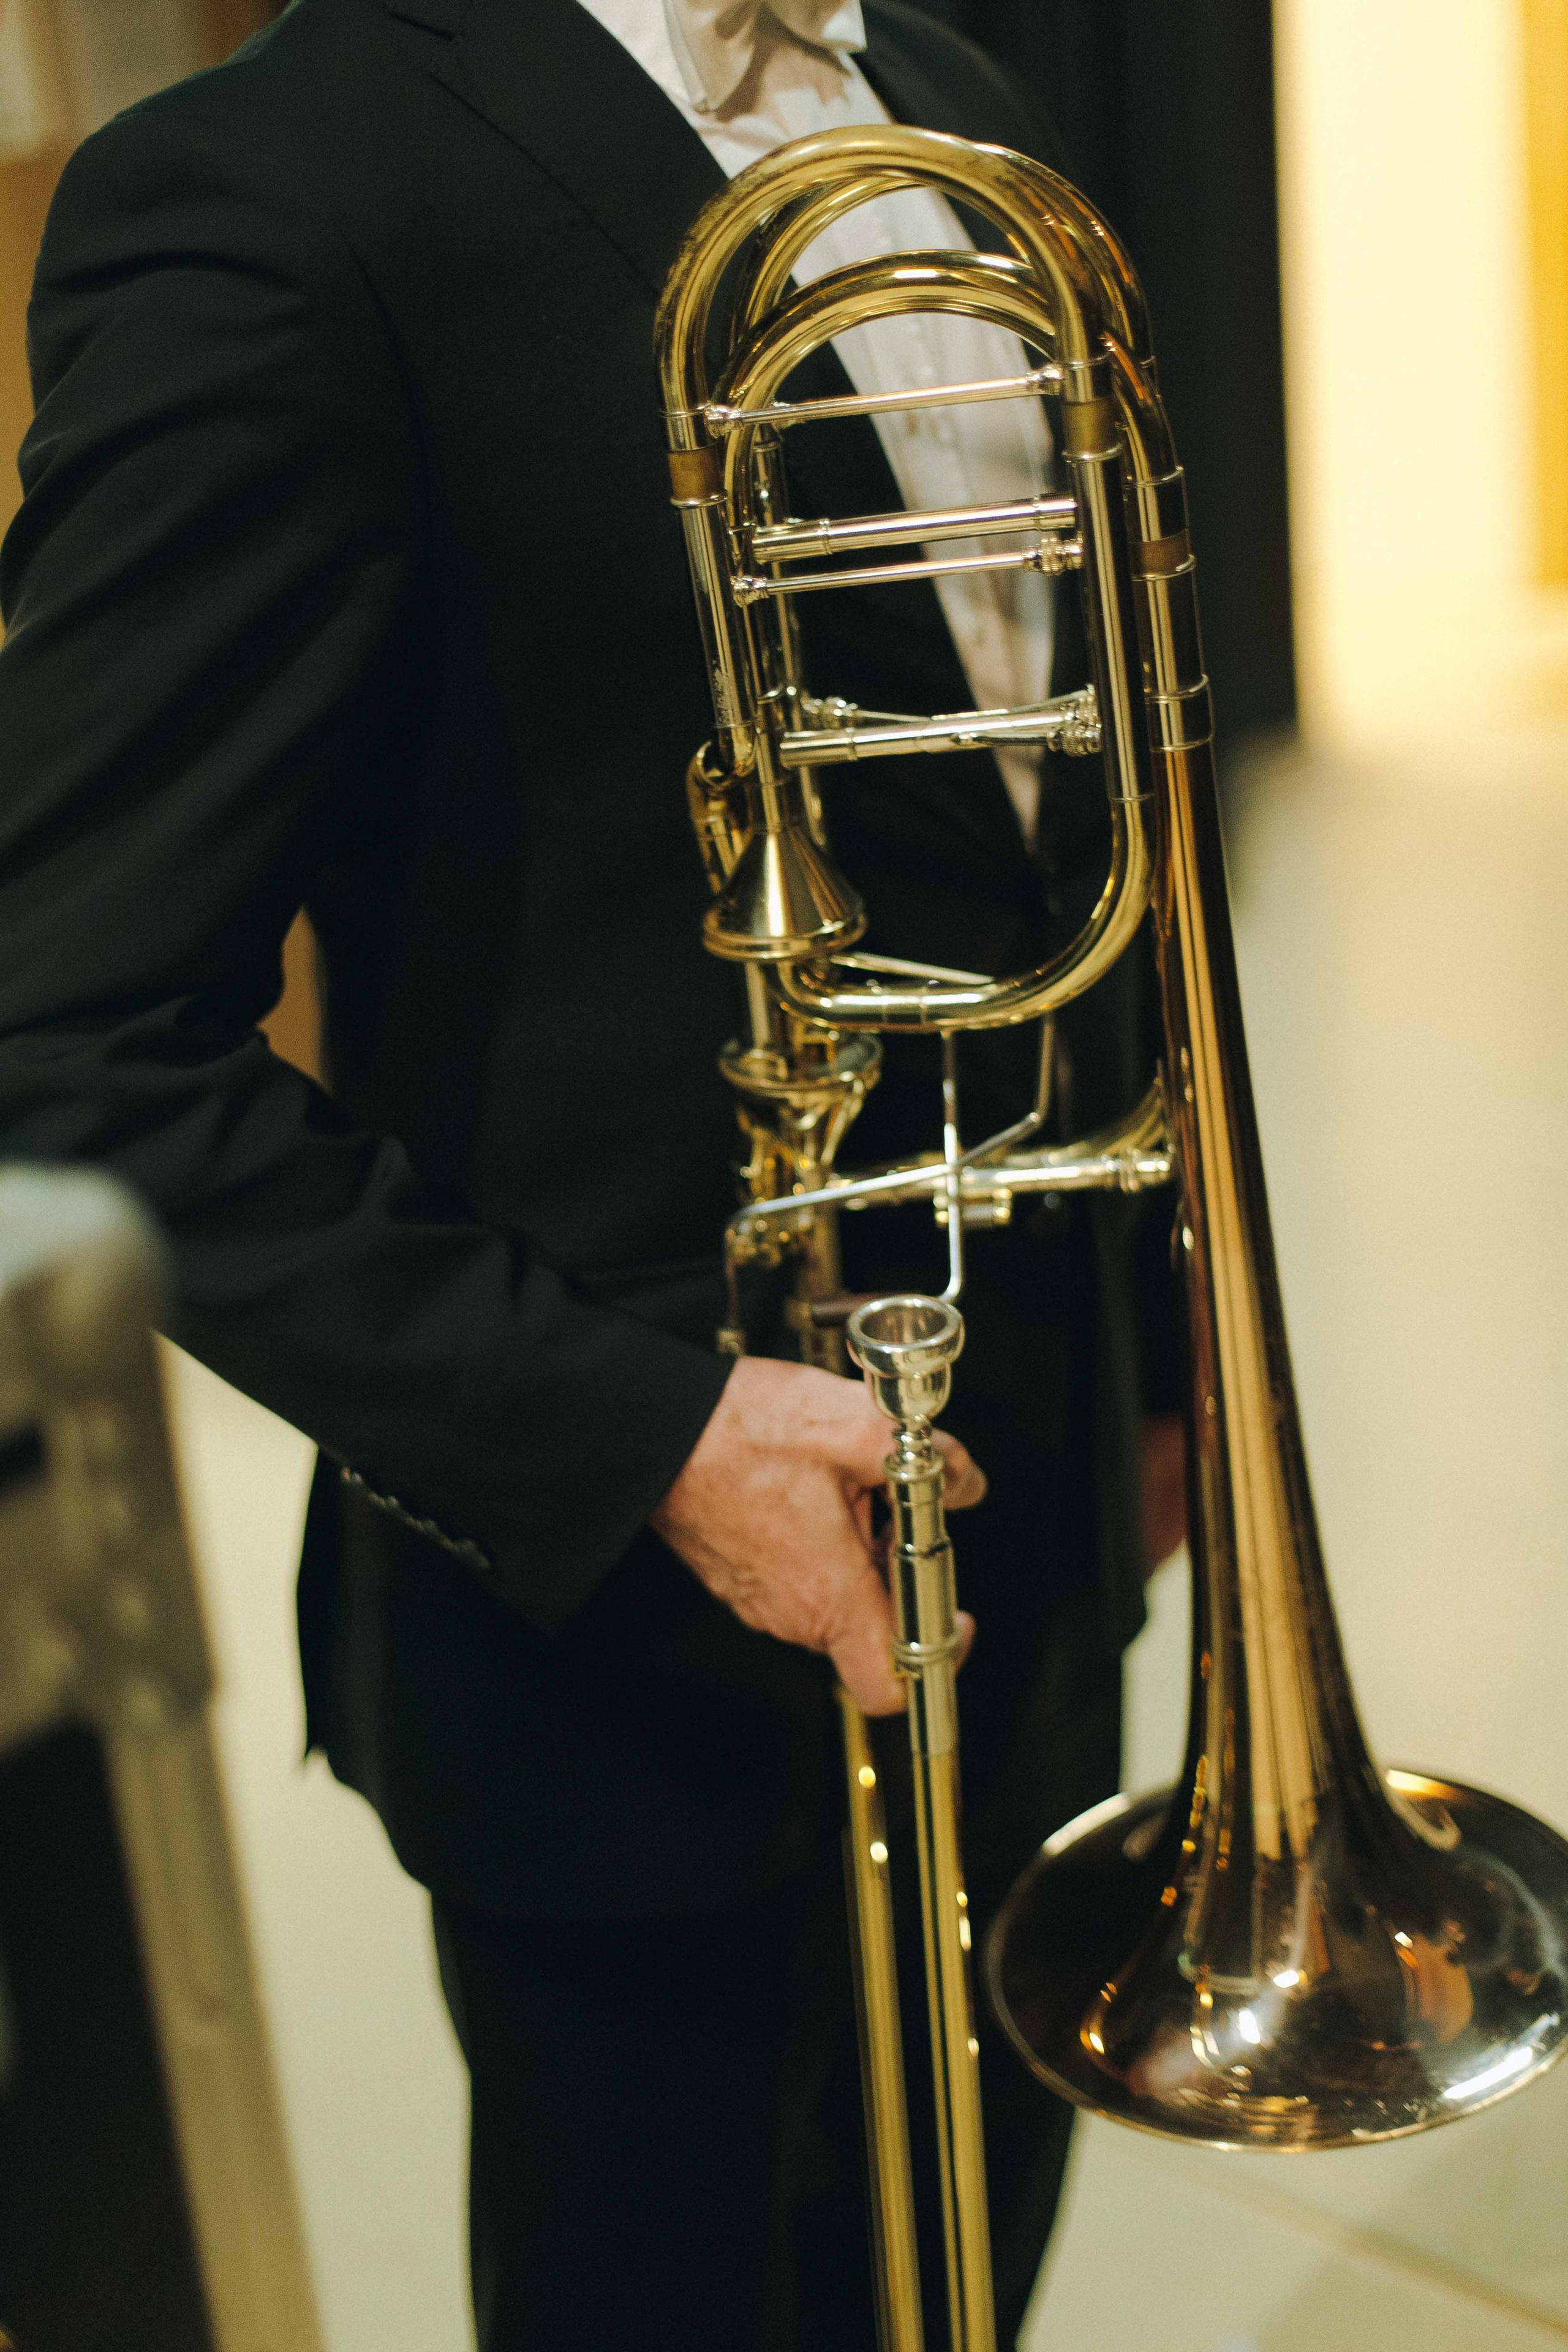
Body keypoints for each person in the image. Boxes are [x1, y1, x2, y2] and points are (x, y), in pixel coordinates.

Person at [0, 0, 1183, 2343]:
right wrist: (640, 1435)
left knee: (972, 2281)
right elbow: (61, 1029)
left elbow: (1083, 817)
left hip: (1043, 1491)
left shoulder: (957, 101)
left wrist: (1167, 1357)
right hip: (649, 1615)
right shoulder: (276, 189)